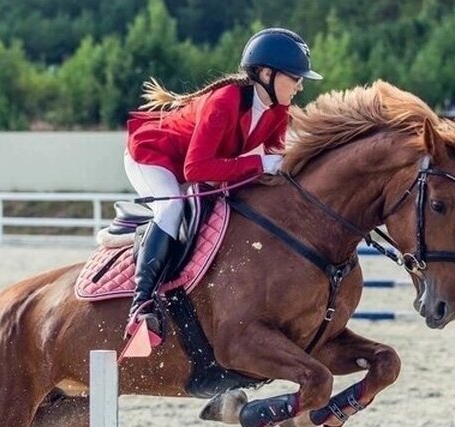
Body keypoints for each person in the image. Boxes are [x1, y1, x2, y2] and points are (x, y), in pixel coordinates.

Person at [121, 27, 322, 338]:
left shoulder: (278, 111)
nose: (300, 86)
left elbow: (276, 162)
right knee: (171, 211)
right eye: (295, 77)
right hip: (153, 157)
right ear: (267, 73)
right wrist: (259, 163)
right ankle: (142, 303)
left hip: (195, 165)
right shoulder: (226, 100)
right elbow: (196, 168)